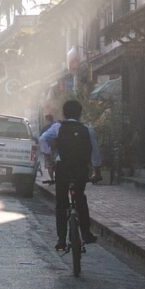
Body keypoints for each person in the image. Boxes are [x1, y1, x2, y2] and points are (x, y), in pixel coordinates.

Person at [38, 100, 101, 252]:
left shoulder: (58, 127)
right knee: (80, 198)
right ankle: (86, 233)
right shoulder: (87, 129)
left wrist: (48, 158)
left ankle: (61, 239)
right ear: (80, 114)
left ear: (64, 114)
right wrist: (97, 171)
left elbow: (42, 139)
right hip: (81, 170)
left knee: (61, 203)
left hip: (62, 169)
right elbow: (95, 152)